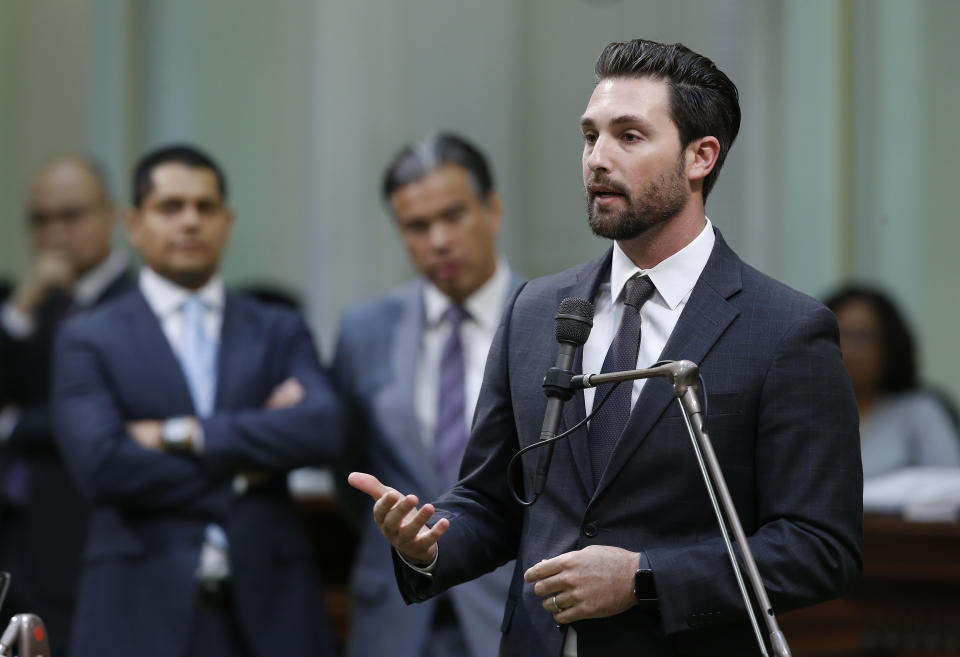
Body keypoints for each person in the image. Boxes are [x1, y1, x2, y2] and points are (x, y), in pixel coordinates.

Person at [350, 38, 863, 656]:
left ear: (701, 156)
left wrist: (644, 578)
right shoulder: (537, 310)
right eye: (590, 136)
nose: (598, 158)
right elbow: (493, 500)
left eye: (629, 136)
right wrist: (429, 543)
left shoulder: (785, 330)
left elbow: (820, 549)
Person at [51, 144, 343, 657]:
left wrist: (181, 434)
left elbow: (323, 429)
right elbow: (101, 465)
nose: (190, 221)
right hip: (138, 608)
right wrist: (247, 465)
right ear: (135, 224)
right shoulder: (88, 337)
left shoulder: (276, 327)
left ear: (227, 222)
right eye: (171, 207)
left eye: (205, 207)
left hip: (274, 610)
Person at [332, 133, 522, 657]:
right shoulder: (364, 332)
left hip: (510, 605)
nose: (439, 240)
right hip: (395, 615)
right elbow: (347, 469)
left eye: (454, 216)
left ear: (493, 210)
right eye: (417, 226)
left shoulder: (551, 323)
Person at [0, 156, 132, 655]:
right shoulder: (31, 306)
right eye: (40, 220)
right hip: (16, 535)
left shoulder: (138, 303)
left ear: (113, 216)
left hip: (82, 538)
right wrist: (24, 303)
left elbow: (93, 416)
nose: (55, 233)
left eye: (71, 216)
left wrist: (12, 425)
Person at [825, 285, 960, 479]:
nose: (848, 351)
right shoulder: (802, 410)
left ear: (890, 345)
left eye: (861, 338)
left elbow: (949, 489)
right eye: (837, 337)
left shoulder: (919, 411)